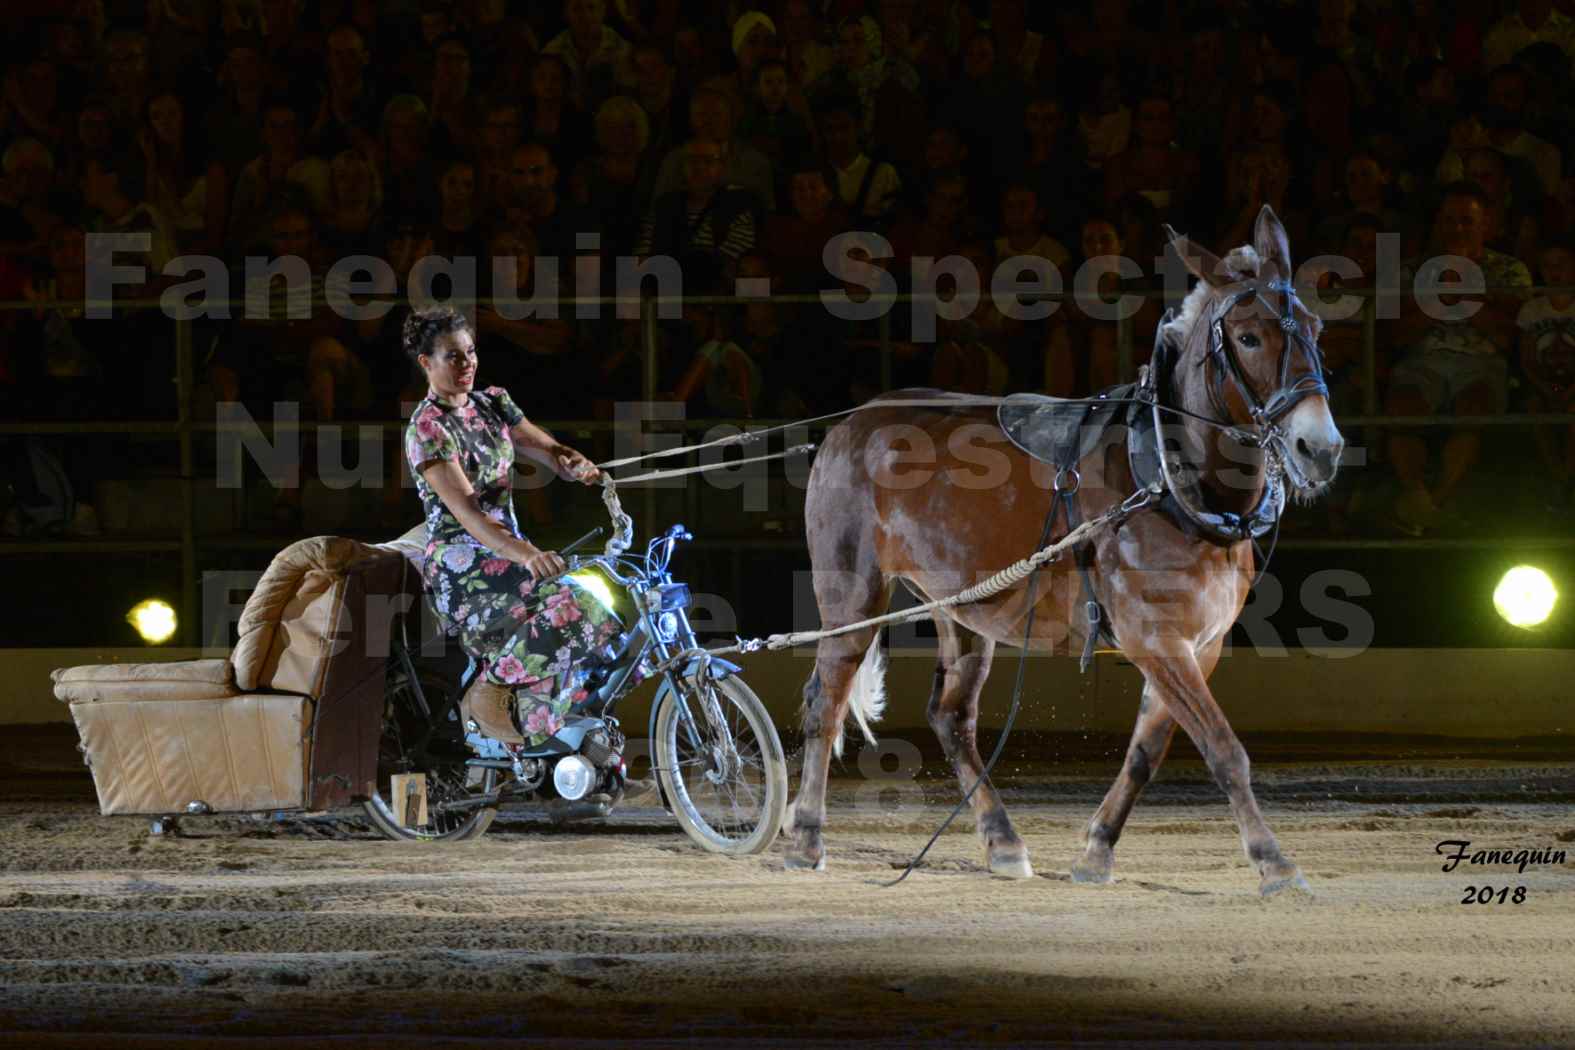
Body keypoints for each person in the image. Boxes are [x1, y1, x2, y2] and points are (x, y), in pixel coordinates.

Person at [402, 305, 620, 748]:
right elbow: (469, 514)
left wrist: (569, 461)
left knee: (602, 633)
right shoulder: (427, 429)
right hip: (465, 571)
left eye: (471, 352)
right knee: (583, 607)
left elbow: (549, 449)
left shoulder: (493, 404)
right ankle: (489, 693)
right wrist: (528, 554)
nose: (467, 365)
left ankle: (552, 752)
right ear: (426, 363)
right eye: (453, 357)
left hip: (510, 560)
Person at [1385, 184, 1532, 534]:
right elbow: (1392, 335)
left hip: (1482, 364)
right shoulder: (1410, 270)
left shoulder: (1509, 270)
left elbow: (1513, 336)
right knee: (1401, 410)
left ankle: (1431, 504)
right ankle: (1422, 500)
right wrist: (1435, 302)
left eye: (1467, 221)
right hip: (1421, 363)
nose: (1458, 229)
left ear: (1486, 224)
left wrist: (1465, 296)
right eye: (1450, 220)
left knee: (1474, 408)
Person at [1516, 239, 1575, 508]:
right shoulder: (1532, 309)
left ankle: (1566, 476)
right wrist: (1545, 388)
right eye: (1548, 265)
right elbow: (1527, 357)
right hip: (1542, 382)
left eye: (1560, 264)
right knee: (1534, 407)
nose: (1554, 271)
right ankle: (1557, 476)